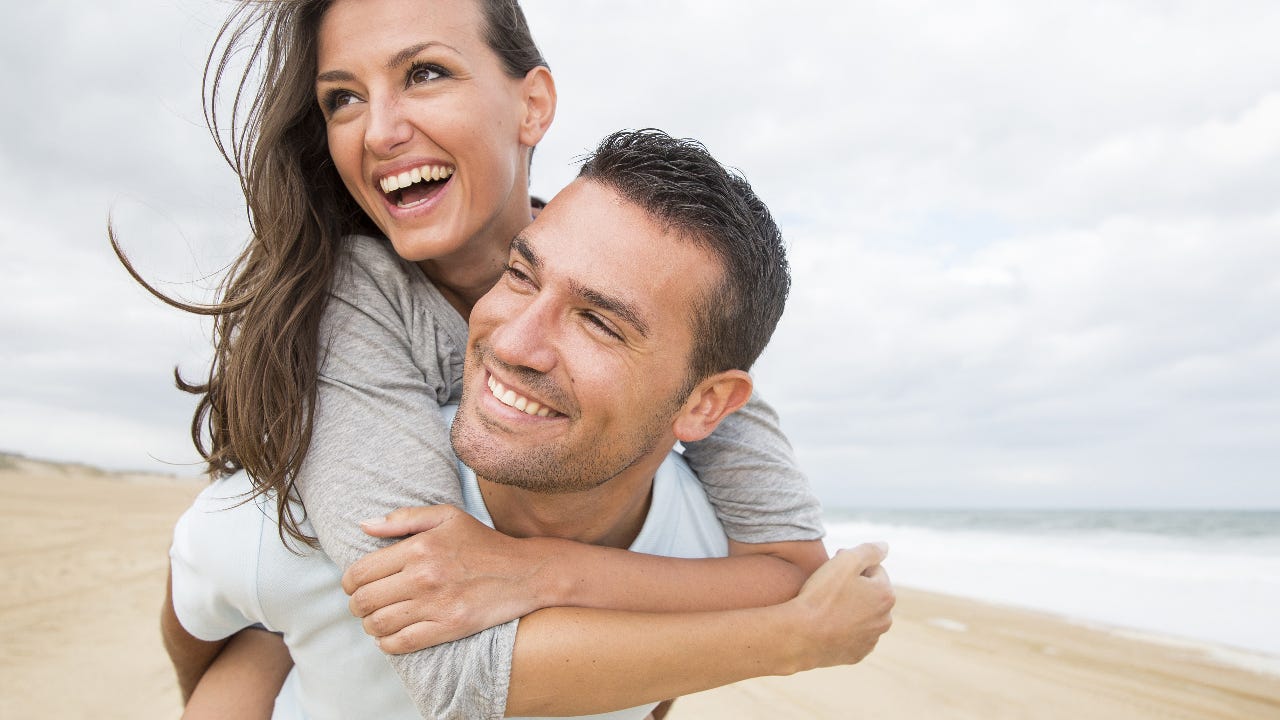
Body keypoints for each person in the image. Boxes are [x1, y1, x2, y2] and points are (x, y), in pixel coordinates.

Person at [112, 0, 879, 717]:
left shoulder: (652, 293)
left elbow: (790, 566)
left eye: (425, 73)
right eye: (341, 97)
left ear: (532, 104)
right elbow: (443, 653)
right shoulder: (350, 308)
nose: (377, 131)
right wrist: (794, 640)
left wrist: (543, 570)